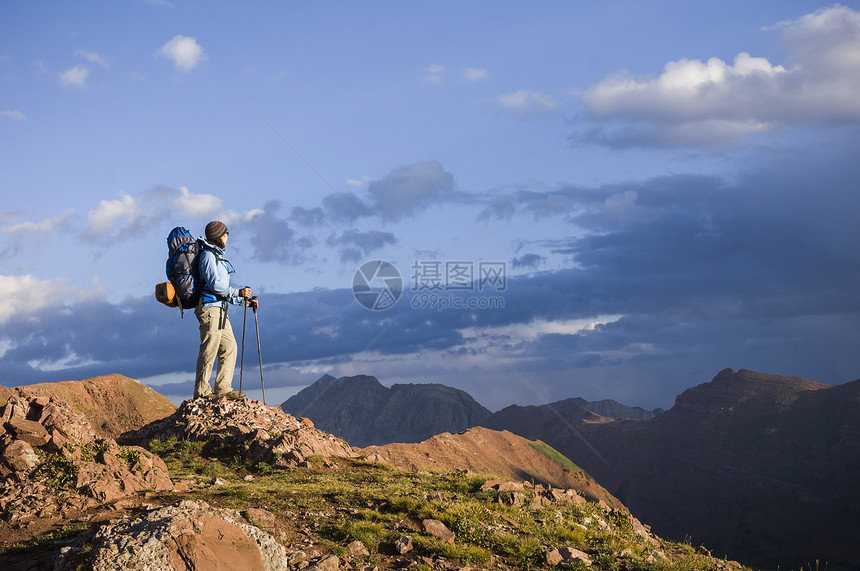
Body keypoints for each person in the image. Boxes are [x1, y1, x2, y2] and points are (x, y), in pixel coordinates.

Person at [193, 220, 258, 400]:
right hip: (209, 309)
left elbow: (221, 290)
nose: (227, 237)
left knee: (230, 348)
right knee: (209, 350)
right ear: (220, 236)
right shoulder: (207, 255)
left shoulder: (217, 256)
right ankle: (202, 392)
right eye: (226, 234)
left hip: (220, 309)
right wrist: (238, 292)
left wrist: (244, 301)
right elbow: (215, 285)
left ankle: (222, 388)